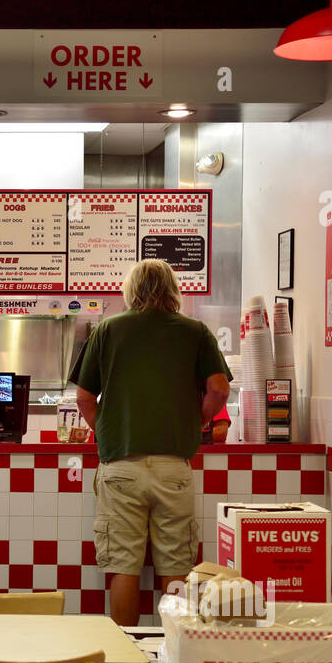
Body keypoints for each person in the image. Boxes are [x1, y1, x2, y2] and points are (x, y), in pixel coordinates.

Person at [69, 259, 231, 627]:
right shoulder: (196, 332)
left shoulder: (108, 329)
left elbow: (83, 397)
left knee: (123, 564)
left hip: (120, 466)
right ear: (173, 289)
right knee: (175, 565)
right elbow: (219, 388)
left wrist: (107, 431)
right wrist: (199, 420)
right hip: (174, 467)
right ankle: (172, 657)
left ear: (131, 291)